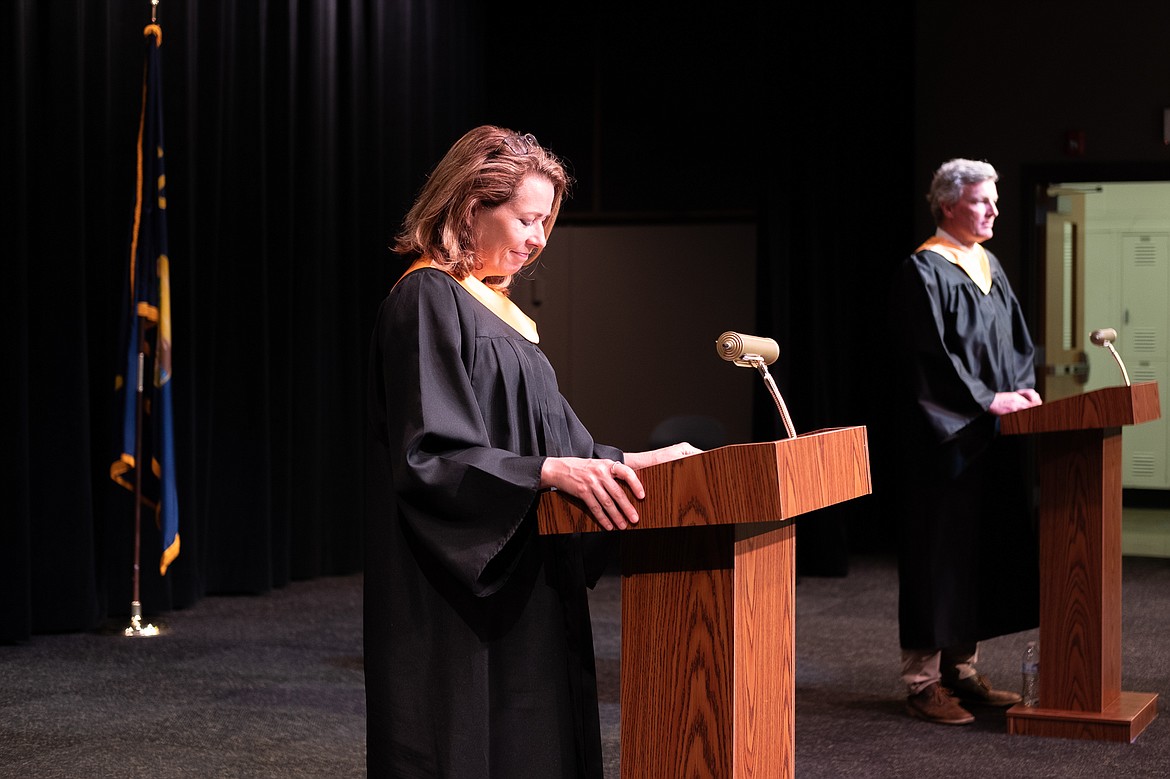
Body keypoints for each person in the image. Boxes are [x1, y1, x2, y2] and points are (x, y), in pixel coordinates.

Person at [363, 125, 699, 777]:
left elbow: (554, 440)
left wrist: (632, 464)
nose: (540, 238)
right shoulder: (428, 296)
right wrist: (542, 471)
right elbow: (429, 454)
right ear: (469, 208)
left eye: (547, 221)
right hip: (458, 588)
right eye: (527, 218)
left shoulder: (499, 313)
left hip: (525, 572)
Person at [890, 158, 1043, 726]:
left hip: (989, 441)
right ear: (949, 204)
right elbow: (927, 360)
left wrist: (1019, 393)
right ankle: (921, 681)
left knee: (976, 554)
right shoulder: (924, 270)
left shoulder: (989, 267)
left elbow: (1018, 347)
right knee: (938, 558)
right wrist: (985, 400)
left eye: (994, 199)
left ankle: (962, 668)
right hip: (944, 442)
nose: (994, 209)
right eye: (983, 200)